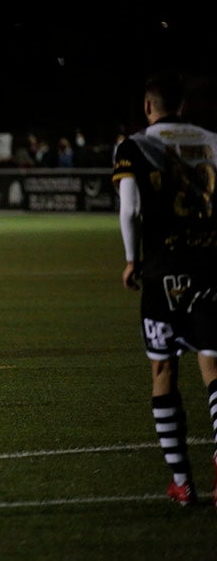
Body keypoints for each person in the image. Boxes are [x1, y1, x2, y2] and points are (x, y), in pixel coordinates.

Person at [111, 70, 217, 507]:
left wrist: (133, 259)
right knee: (214, 366)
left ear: (147, 106)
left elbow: (130, 210)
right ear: (184, 106)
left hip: (162, 271)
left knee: (163, 370)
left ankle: (182, 482)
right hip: (212, 269)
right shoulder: (213, 141)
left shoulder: (134, 146)